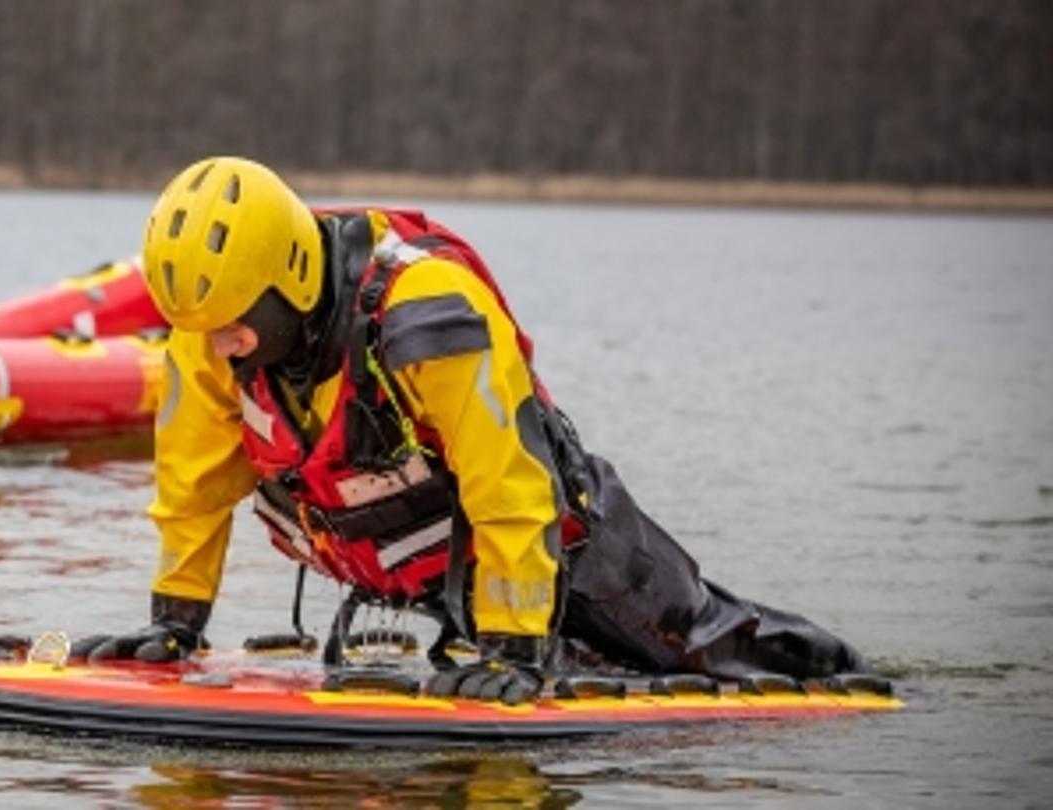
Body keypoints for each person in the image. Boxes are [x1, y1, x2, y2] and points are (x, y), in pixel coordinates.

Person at [84, 156, 865, 704]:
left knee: (709, 648)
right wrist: (175, 624)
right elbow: (191, 483)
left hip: (570, 550)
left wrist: (516, 650)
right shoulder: (213, 327)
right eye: (201, 330)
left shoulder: (426, 310)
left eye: (233, 328)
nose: (218, 346)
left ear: (285, 279)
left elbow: (509, 487)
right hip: (427, 569)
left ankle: (861, 679)